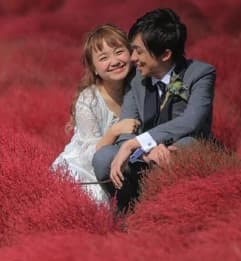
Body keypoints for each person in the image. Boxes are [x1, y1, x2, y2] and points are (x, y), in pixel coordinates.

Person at [92, 8, 216, 212]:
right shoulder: (136, 79)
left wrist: (137, 143)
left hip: (182, 150)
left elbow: (191, 122)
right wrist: (144, 152)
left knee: (186, 145)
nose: (132, 58)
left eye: (139, 51)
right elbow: (127, 130)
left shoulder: (201, 74)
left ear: (166, 54)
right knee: (104, 157)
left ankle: (175, 211)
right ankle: (128, 211)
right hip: (144, 157)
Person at [51, 24, 140, 205]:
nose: (115, 61)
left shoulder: (141, 87)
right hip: (86, 170)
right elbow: (90, 154)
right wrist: (114, 131)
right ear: (93, 68)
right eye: (104, 57)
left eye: (119, 52)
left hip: (125, 162)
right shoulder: (88, 100)